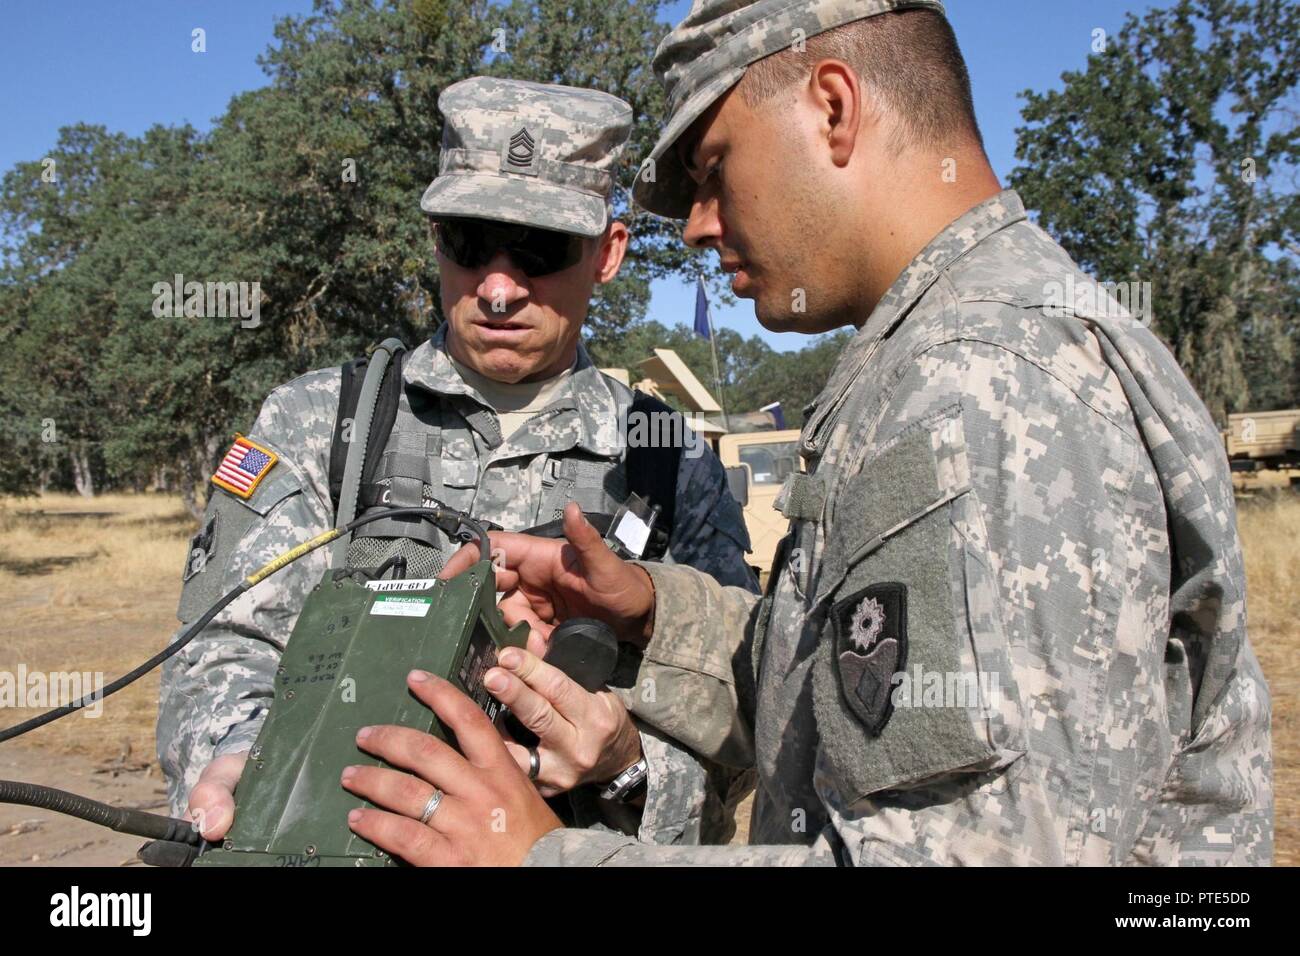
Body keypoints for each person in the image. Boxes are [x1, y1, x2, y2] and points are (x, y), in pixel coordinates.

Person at [342, 0, 1273, 866]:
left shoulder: (982, 385)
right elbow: (845, 692)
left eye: (712, 172)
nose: (701, 227)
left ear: (833, 107)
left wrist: (540, 856)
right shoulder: (946, 355)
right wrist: (652, 611)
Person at [157, 76, 757, 846]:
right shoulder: (320, 424)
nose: (499, 288)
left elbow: (744, 725)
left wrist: (630, 766)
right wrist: (243, 763)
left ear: (607, 253)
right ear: (434, 238)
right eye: (470, 242)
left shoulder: (670, 462)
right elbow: (222, 647)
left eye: (540, 249)